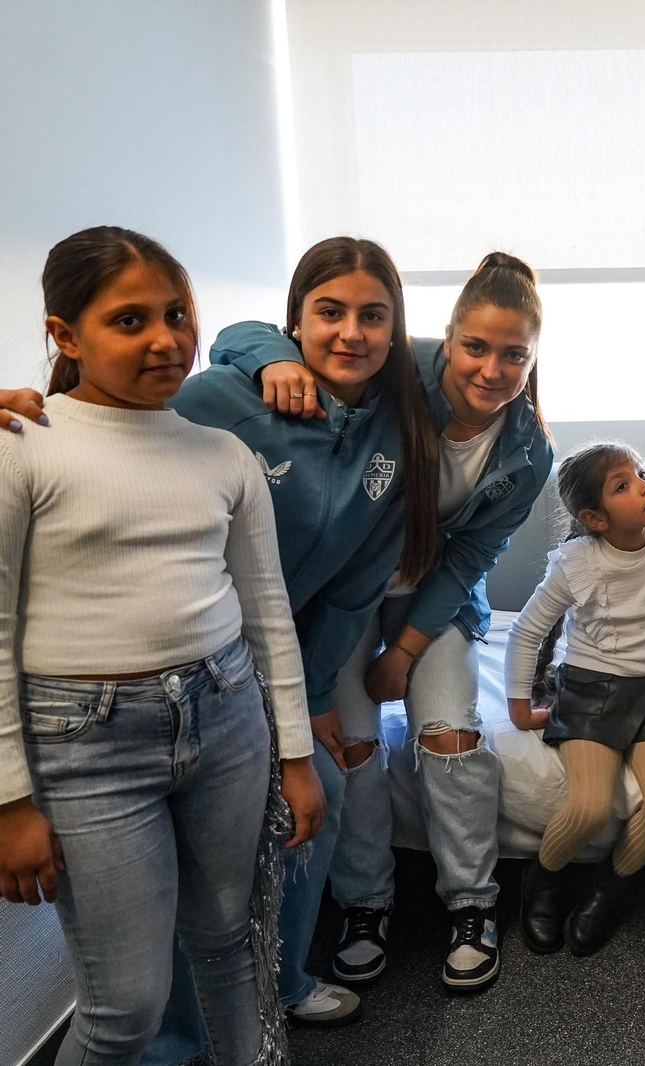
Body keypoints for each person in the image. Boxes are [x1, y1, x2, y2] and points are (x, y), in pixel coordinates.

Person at [0, 226, 322, 1063]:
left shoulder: (223, 453)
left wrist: (294, 754)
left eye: (177, 313)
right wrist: (9, 798)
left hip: (226, 719)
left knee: (231, 945)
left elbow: (267, 610)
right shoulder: (21, 446)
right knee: (123, 1009)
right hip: (82, 746)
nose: (165, 338)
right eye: (129, 320)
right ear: (65, 336)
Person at [238, 253, 556, 991]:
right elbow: (243, 336)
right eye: (475, 347)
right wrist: (271, 362)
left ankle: (474, 904)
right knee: (349, 745)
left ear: (533, 358)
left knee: (448, 734)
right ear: (447, 339)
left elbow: (468, 558)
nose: (490, 369)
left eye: (514, 355)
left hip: (430, 604)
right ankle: (365, 903)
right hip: (343, 593)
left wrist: (405, 652)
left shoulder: (528, 452)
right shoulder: (395, 371)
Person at [505, 441, 645, 956]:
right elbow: (527, 631)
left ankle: (610, 885)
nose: (644, 485)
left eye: (642, 474)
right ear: (594, 518)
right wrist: (518, 704)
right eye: (622, 485)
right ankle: (542, 881)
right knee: (589, 807)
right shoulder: (579, 564)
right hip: (589, 689)